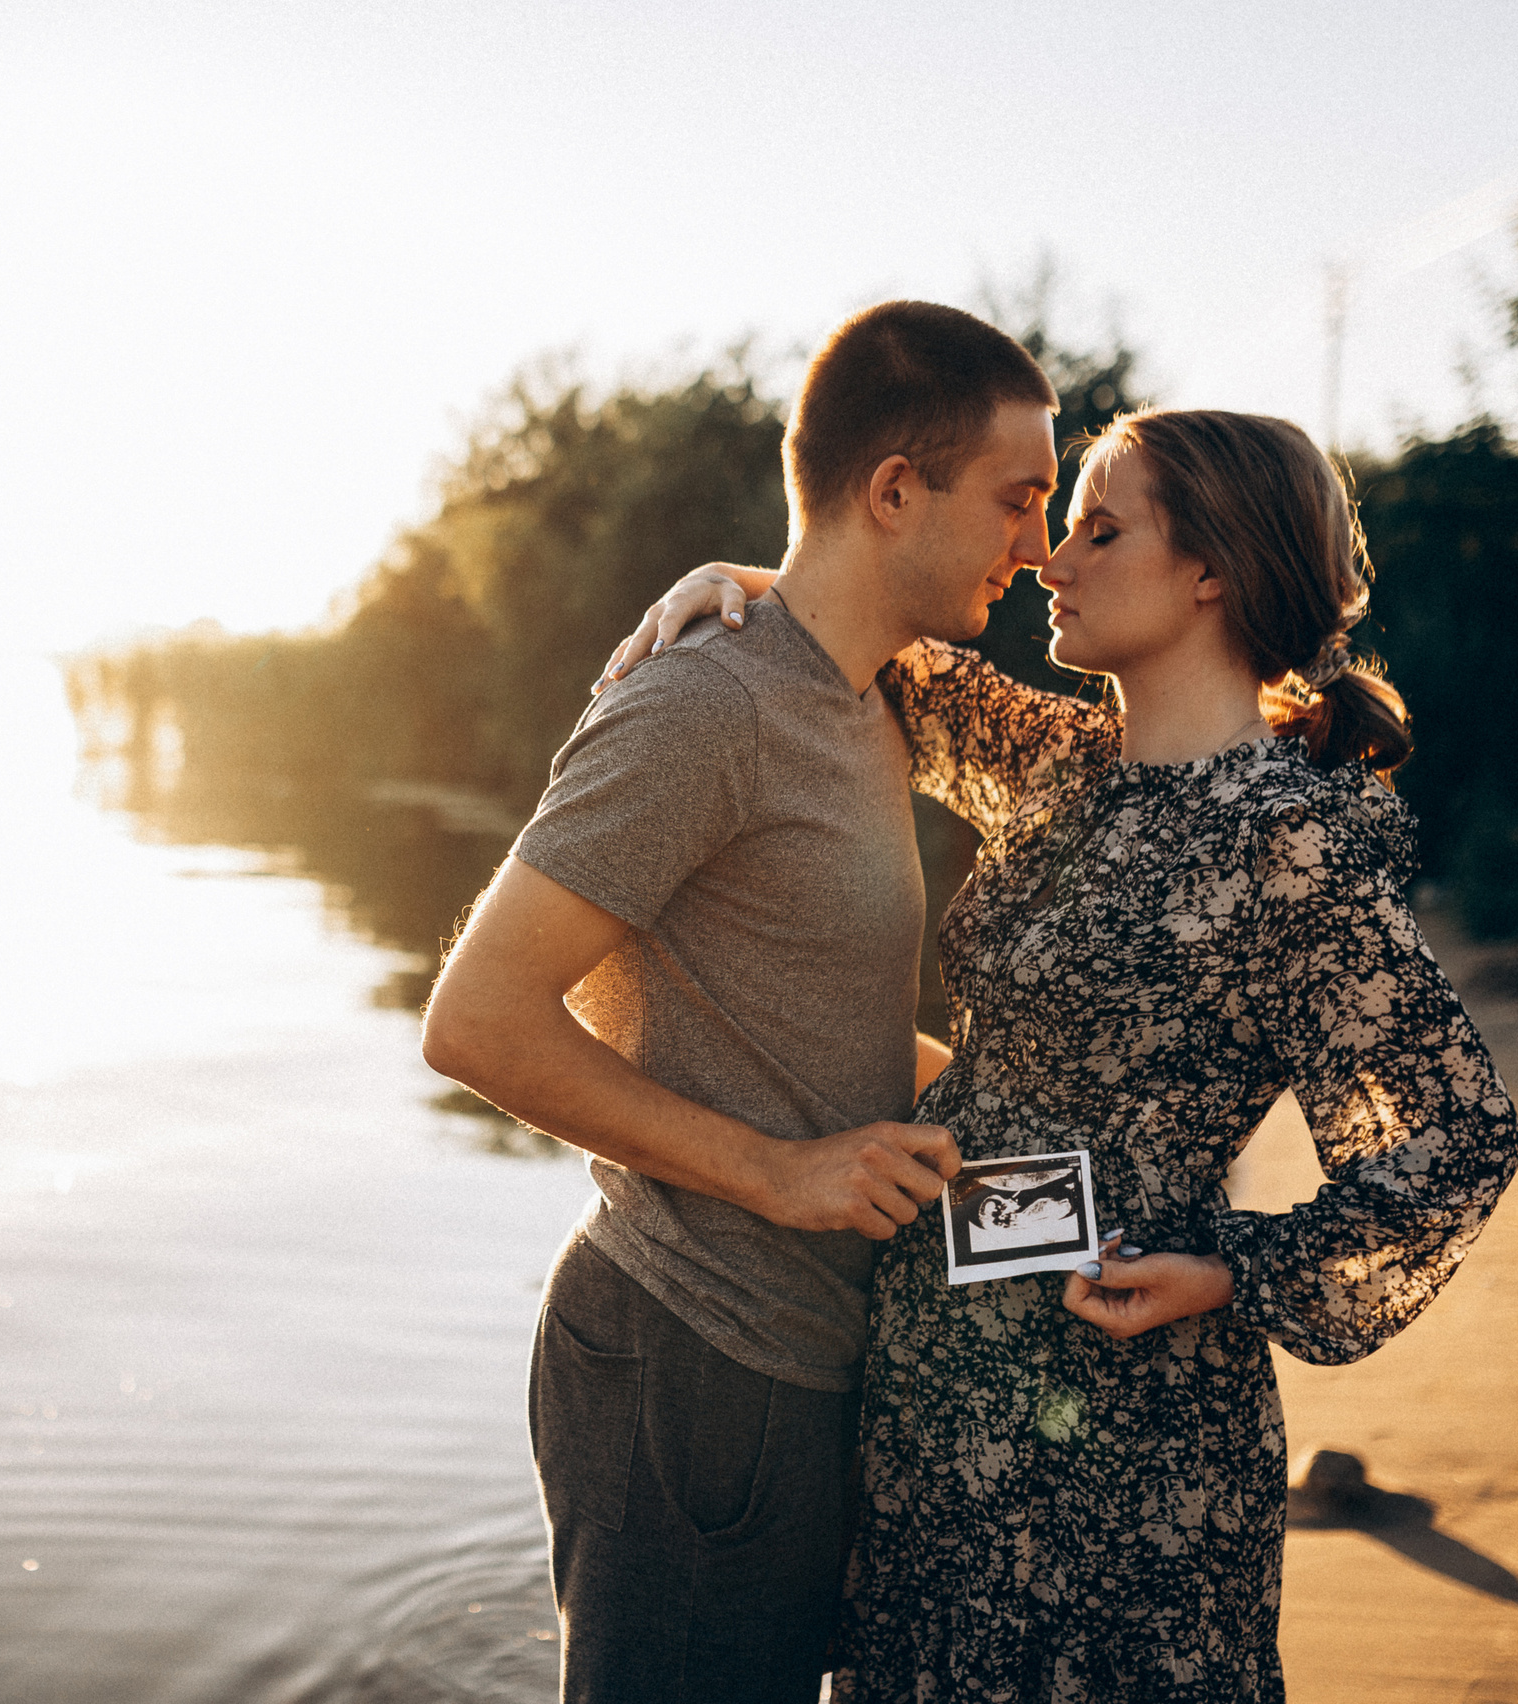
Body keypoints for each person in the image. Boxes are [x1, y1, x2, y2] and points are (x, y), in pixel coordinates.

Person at [609, 407, 1518, 1700]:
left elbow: (1459, 1139)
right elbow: (871, 645)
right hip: (937, 1377)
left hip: (1130, 1420)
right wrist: (746, 584)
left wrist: (1228, 1267)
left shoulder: (1292, 842)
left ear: (1212, 572)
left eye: (1098, 530)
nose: (1052, 560)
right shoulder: (1063, 766)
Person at [418, 300, 1064, 1703]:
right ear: (896, 492)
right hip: (690, 1355)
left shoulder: (862, 700)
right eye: (1020, 499)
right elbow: (476, 1020)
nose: (1040, 545)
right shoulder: (705, 706)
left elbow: (782, 1008)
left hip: (792, 1358)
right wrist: (779, 1174)